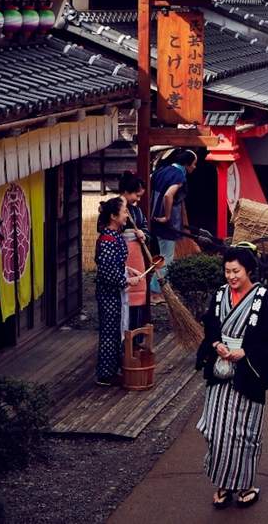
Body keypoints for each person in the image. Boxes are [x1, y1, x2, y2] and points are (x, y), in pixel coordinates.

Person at [195, 246, 268, 509]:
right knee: (216, 430)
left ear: (248, 270)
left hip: (247, 373)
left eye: (236, 271)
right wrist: (216, 344)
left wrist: (246, 351)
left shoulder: (261, 298)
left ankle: (245, 485)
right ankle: (223, 484)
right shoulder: (220, 295)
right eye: (227, 271)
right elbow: (211, 325)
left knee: (243, 433)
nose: (231, 276)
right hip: (220, 372)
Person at [94, 197, 139, 386]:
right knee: (110, 332)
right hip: (108, 294)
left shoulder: (114, 236)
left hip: (115, 293)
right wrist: (126, 280)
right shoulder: (107, 240)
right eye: (124, 212)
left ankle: (115, 368)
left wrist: (128, 269)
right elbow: (106, 271)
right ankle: (105, 374)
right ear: (113, 216)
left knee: (118, 329)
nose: (127, 215)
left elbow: (114, 264)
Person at [149, 149, 197, 299]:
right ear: (187, 164)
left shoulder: (161, 170)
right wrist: (167, 216)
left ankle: (159, 288)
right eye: (194, 164)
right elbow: (168, 195)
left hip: (153, 217)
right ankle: (156, 291)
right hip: (165, 223)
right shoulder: (178, 175)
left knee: (163, 254)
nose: (194, 167)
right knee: (167, 257)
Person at [118, 172, 149, 329]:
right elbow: (104, 228)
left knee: (138, 288)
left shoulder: (137, 211)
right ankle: (124, 333)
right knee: (123, 291)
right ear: (126, 191)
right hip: (120, 254)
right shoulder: (114, 207)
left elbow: (145, 228)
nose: (138, 199)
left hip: (136, 254)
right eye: (136, 195)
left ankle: (136, 332)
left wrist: (143, 234)